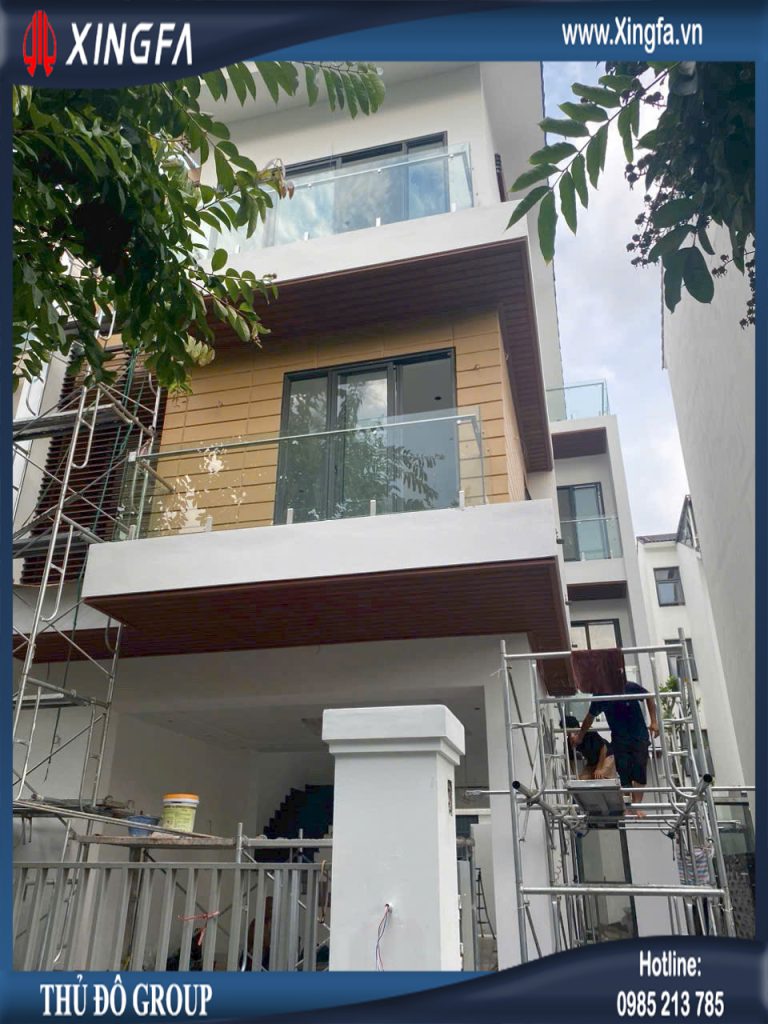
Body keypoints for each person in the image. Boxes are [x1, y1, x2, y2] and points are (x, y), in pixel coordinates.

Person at [571, 681, 659, 814]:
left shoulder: (627, 686)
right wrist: (580, 737)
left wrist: (654, 721)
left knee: (639, 769)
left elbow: (649, 696)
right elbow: (590, 717)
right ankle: (630, 806)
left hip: (638, 735)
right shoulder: (600, 694)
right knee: (624, 772)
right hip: (619, 738)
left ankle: (636, 806)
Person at [563, 714, 616, 780]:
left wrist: (599, 769)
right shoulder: (569, 742)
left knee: (601, 776)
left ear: (577, 727)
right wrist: (575, 775)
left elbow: (603, 747)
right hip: (592, 761)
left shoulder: (588, 732)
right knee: (581, 779)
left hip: (607, 755)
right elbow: (571, 758)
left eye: (572, 732)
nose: (571, 736)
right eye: (568, 734)